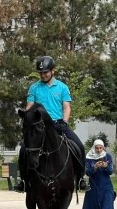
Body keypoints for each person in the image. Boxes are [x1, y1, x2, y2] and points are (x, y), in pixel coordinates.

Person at [26, 55, 88, 191]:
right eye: (41, 73)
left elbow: (67, 107)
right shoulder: (33, 88)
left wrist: (64, 122)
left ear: (53, 71)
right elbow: (29, 107)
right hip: (39, 125)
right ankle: (23, 180)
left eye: (45, 72)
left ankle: (80, 178)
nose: (43, 75)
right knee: (25, 149)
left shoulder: (62, 87)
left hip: (57, 124)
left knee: (79, 146)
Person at [78, 139, 117, 209]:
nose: (99, 150)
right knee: (94, 207)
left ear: (103, 148)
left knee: (108, 205)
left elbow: (110, 171)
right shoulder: (89, 158)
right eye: (97, 148)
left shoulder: (107, 156)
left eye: (100, 148)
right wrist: (95, 167)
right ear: (94, 148)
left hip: (106, 185)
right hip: (94, 186)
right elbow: (88, 172)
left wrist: (104, 166)